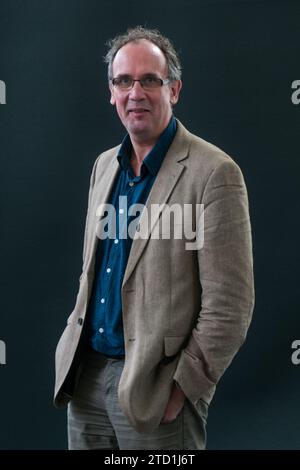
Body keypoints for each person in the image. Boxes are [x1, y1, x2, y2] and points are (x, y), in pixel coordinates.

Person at [54, 26, 254, 450]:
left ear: (174, 89)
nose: (135, 92)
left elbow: (230, 304)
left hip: (155, 388)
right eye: (123, 81)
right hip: (85, 380)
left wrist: (182, 388)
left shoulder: (214, 173)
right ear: (111, 92)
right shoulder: (103, 166)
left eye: (150, 80)